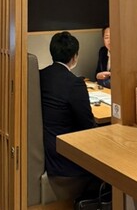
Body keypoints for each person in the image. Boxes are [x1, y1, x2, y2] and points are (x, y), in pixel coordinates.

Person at [40, 31, 96, 178]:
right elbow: (87, 125)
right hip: (64, 155)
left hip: (46, 147)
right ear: (74, 56)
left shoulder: (40, 75)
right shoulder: (75, 83)